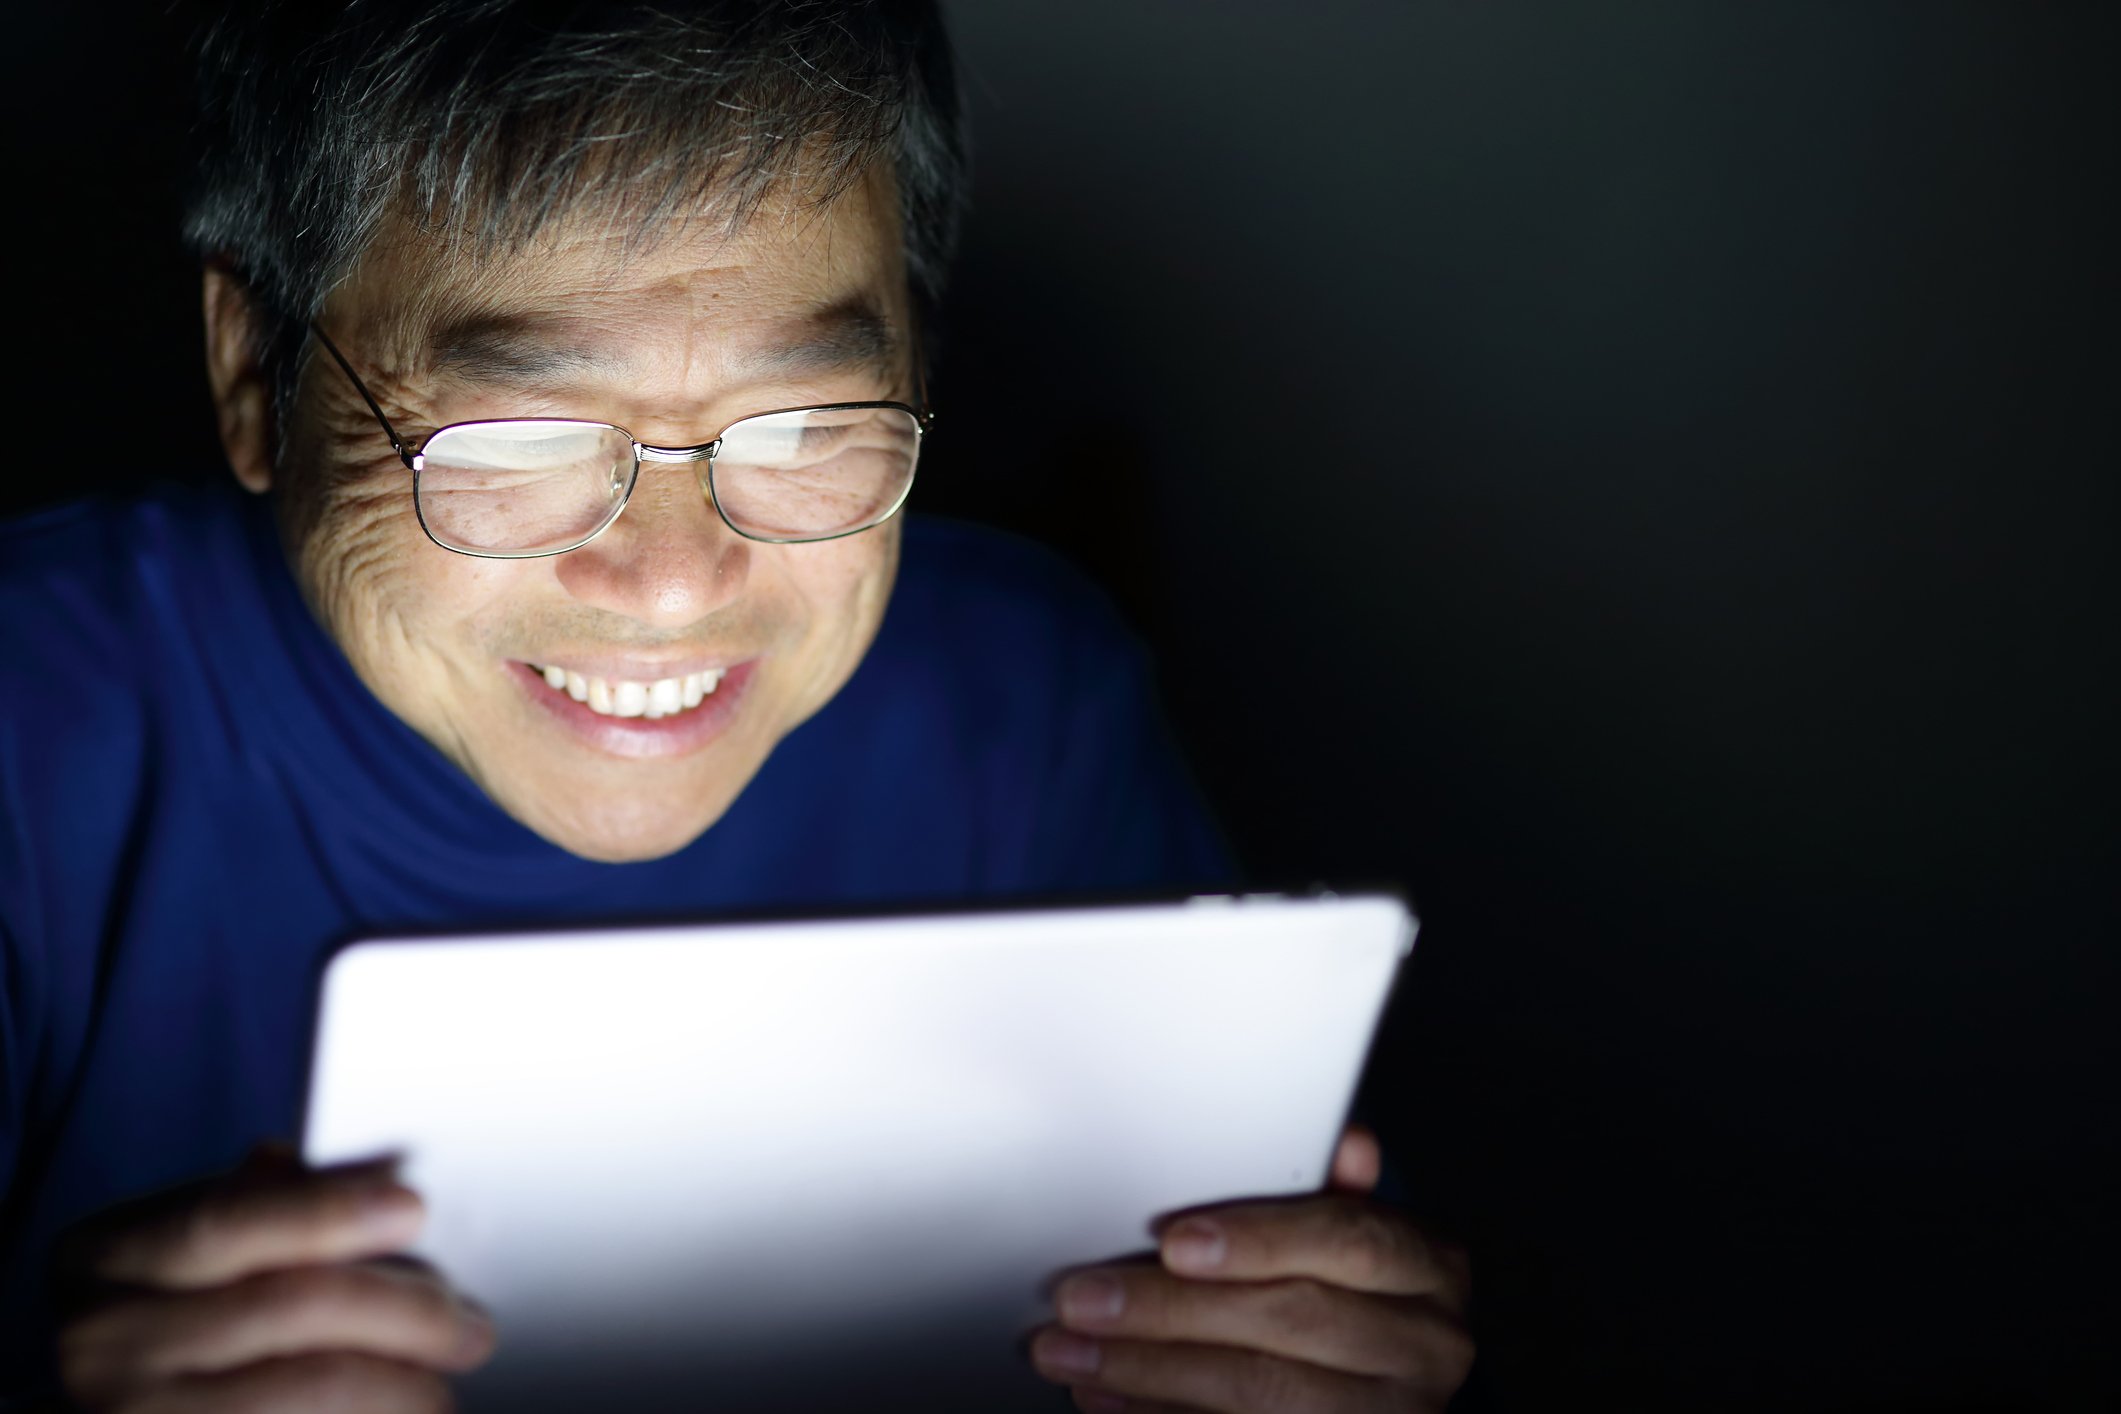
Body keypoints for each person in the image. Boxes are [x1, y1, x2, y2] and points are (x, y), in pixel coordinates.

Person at [0, 2, 1473, 1409]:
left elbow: (1295, 1303)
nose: (671, 583)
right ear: (253, 370)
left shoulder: (1022, 700)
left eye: (806, 423)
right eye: (518, 433)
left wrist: (1325, 1352)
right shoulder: (29, 728)